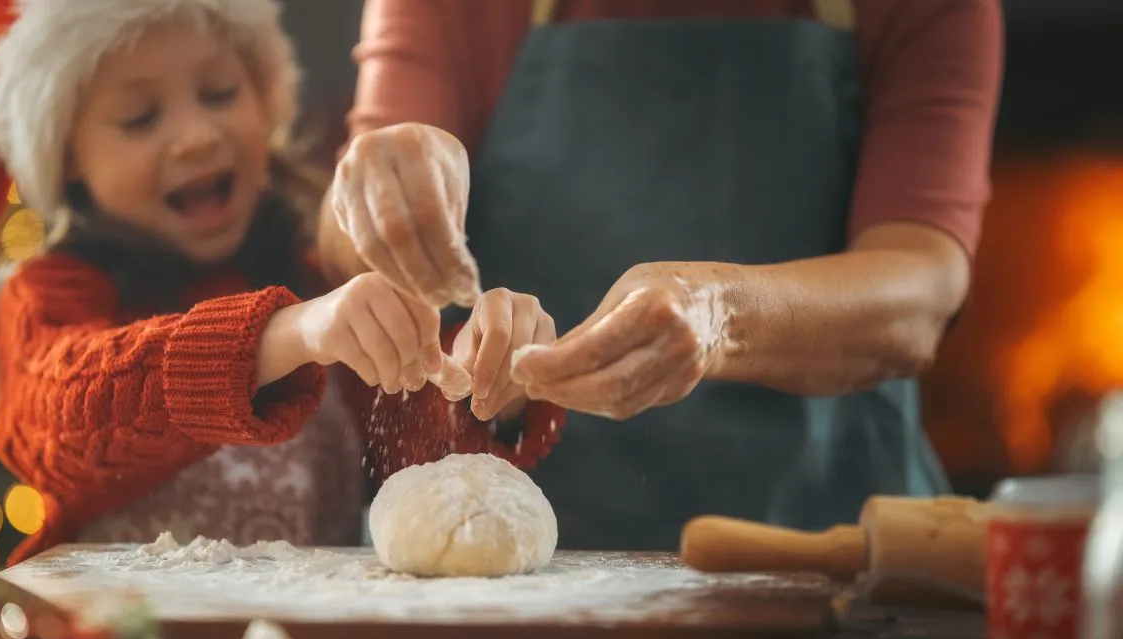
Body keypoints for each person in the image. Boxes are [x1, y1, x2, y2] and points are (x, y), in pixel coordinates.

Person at [317, 0, 1004, 550]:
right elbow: (342, 242)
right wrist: (378, 188)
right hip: (536, 575)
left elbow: (922, 289)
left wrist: (719, 314)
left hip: (839, 544)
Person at [0, 0, 565, 566]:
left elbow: (405, 444)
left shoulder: (310, 275)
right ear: (69, 155)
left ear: (265, 99)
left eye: (219, 93)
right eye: (140, 118)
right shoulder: (50, 294)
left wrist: (484, 382)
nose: (196, 137)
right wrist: (285, 333)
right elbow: (67, 415)